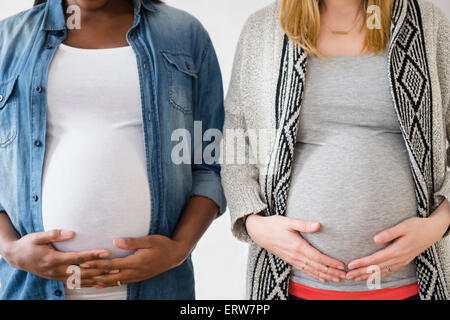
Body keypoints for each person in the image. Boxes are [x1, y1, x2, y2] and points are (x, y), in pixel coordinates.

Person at [223, 0, 450, 300]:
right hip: (291, 283)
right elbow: (235, 143)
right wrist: (255, 225)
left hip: (410, 283)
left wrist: (440, 222)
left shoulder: (428, 22)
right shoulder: (264, 28)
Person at [0, 0, 226, 300]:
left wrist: (178, 250)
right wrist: (9, 249)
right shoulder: (8, 39)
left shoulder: (183, 34)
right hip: (30, 287)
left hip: (159, 288)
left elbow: (209, 163)